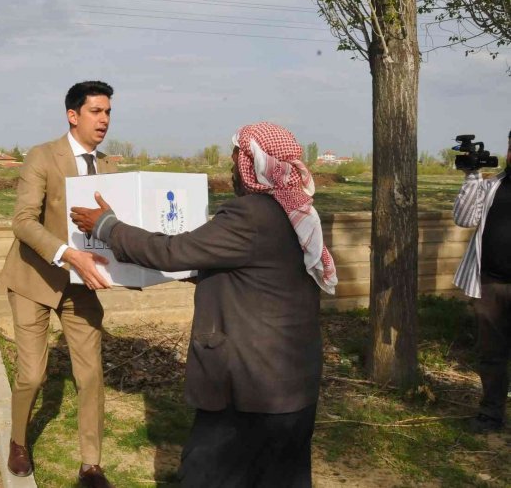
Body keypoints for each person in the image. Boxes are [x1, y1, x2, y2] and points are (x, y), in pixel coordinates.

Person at [71, 122, 338, 487]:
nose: (231, 169)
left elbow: (171, 251)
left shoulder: (252, 214)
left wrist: (107, 227)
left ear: (254, 164)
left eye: (236, 160)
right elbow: (252, 273)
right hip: (292, 384)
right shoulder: (294, 213)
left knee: (206, 474)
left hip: (249, 387)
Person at [0, 81, 116, 487]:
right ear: (73, 115)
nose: (103, 120)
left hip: (82, 286)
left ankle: (91, 464)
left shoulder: (110, 168)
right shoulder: (43, 157)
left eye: (108, 112)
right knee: (32, 375)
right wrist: (68, 254)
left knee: (91, 375)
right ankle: (17, 440)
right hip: (34, 278)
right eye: (96, 111)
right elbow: (23, 221)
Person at [453, 130, 511, 433]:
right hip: (491, 285)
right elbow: (464, 219)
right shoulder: (492, 186)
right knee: (491, 355)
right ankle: (491, 414)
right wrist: (471, 177)